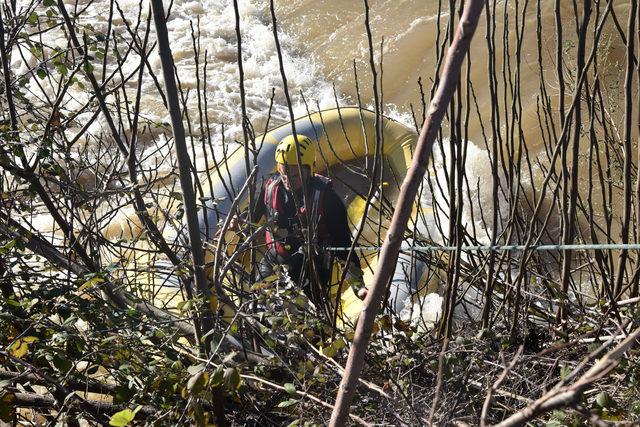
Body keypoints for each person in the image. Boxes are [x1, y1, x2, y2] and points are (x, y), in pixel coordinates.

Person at [251, 134, 368, 306]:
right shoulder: (269, 187)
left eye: (295, 175)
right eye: (284, 174)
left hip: (312, 269)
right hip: (276, 260)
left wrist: (358, 286)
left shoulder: (328, 200)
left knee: (311, 320)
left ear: (310, 169)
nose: (288, 180)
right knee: (257, 305)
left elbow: (344, 246)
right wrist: (238, 222)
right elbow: (252, 214)